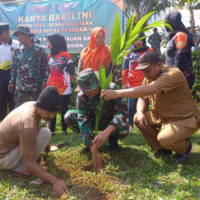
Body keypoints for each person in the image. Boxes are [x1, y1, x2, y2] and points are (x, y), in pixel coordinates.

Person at [101, 51, 200, 162]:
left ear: (159, 64)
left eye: (148, 71)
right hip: (163, 117)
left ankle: (185, 148)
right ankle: (162, 149)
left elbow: (151, 89)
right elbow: (142, 97)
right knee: (138, 118)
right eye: (143, 72)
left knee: (165, 139)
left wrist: (117, 93)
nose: (146, 75)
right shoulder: (149, 78)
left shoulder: (173, 74)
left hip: (184, 118)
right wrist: (139, 113)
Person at [0, 86, 71, 196]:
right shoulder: (28, 125)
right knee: (46, 133)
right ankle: (20, 168)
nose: (52, 116)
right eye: (49, 112)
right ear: (41, 106)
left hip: (6, 147)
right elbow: (30, 163)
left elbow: (34, 127)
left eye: (55, 113)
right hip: (4, 159)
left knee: (44, 133)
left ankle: (21, 160)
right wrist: (55, 181)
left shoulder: (31, 104)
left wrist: (45, 144)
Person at [64, 68, 128, 170]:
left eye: (90, 90)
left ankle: (113, 139)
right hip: (93, 121)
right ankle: (90, 142)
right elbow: (82, 119)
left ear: (97, 83)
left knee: (124, 127)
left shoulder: (111, 89)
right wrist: (92, 148)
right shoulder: (81, 96)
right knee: (69, 116)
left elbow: (123, 112)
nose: (87, 93)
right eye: (85, 90)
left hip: (109, 122)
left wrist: (106, 132)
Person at [8, 26, 49, 107]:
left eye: (19, 36)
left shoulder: (39, 50)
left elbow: (45, 68)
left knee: (34, 111)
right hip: (20, 88)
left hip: (35, 88)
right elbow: (14, 67)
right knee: (19, 112)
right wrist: (12, 82)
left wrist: (44, 82)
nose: (18, 38)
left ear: (26, 35)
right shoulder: (17, 50)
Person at [122, 33, 153, 131]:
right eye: (135, 40)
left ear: (143, 40)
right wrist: (123, 83)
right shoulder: (128, 53)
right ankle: (130, 124)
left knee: (145, 106)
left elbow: (155, 66)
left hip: (145, 83)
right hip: (132, 84)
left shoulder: (149, 51)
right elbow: (125, 69)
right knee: (131, 107)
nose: (138, 42)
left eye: (140, 39)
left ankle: (146, 124)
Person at [46, 33, 75, 135]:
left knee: (64, 109)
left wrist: (66, 82)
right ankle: (51, 130)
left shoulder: (66, 55)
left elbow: (72, 71)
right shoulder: (49, 56)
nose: (47, 44)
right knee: (52, 108)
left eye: (48, 42)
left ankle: (64, 129)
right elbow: (47, 71)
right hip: (51, 88)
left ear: (55, 42)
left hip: (64, 88)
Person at [164, 11, 195, 90]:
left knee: (182, 101)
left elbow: (180, 56)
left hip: (183, 76)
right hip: (175, 76)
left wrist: (175, 75)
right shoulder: (172, 38)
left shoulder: (180, 35)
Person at [0, 22, 19, 121]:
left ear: (7, 32)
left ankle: (12, 122)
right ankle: (3, 123)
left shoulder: (17, 44)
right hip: (0, 76)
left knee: (13, 100)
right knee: (1, 100)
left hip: (13, 75)